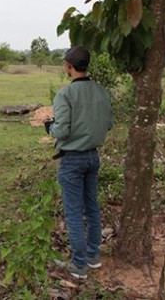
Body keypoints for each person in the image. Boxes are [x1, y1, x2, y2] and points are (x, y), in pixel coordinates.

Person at [44, 46, 113, 279]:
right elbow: (108, 124)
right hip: (93, 156)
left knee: (73, 212)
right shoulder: (101, 91)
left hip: (72, 159)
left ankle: (79, 265)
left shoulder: (65, 94)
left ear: (68, 66)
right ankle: (93, 256)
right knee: (91, 207)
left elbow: (61, 131)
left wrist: (49, 126)